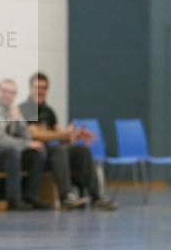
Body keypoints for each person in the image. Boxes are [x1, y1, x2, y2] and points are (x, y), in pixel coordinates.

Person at [21, 72, 118, 211]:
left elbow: (59, 133)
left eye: (43, 88)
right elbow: (35, 134)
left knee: (81, 150)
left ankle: (97, 197)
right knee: (60, 150)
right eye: (37, 87)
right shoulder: (24, 109)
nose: (40, 91)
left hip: (52, 152)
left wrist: (76, 134)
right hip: (35, 153)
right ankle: (66, 197)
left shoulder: (48, 111)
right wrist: (61, 134)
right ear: (30, 88)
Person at [0, 80, 50, 210]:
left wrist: (18, 119)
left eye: (12, 92)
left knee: (37, 152)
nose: (8, 95)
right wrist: (26, 144)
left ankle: (31, 196)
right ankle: (14, 199)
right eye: (4, 91)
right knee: (12, 150)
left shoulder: (12, 111)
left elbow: (26, 136)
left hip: (2, 154)